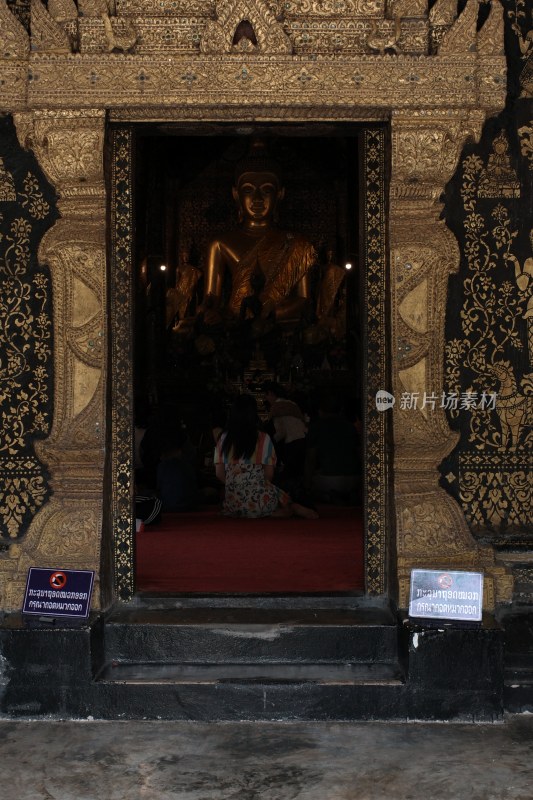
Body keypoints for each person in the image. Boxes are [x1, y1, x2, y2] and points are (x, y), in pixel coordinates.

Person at [202, 139, 316, 326]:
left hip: (278, 322)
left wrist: (269, 316)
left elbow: (303, 300)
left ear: (280, 194)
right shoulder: (220, 244)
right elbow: (211, 295)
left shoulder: (297, 244)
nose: (257, 199)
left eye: (266, 190)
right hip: (235, 322)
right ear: (236, 194)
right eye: (248, 190)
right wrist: (209, 310)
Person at [214, 394, 318, 519]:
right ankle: (289, 508)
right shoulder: (263, 438)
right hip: (262, 498)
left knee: (239, 506)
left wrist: (238, 484)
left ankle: (271, 512)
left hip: (234, 502)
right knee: (277, 493)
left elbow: (219, 474)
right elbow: (269, 475)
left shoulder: (224, 439)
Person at [305, 392, 362, 504]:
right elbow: (360, 454)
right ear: (340, 410)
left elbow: (310, 459)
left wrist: (306, 487)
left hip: (328, 480)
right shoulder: (350, 427)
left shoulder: (316, 427)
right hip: (354, 479)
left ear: (320, 410)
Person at [262, 380, 307, 494]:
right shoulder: (292, 404)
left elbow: (281, 432)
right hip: (303, 440)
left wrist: (270, 442)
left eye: (266, 395)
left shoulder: (276, 407)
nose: (265, 398)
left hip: (291, 444)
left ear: (271, 393)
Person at [156, 427, 200, 512]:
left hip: (168, 506)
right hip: (188, 506)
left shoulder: (162, 466)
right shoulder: (186, 465)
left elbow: (159, 487)